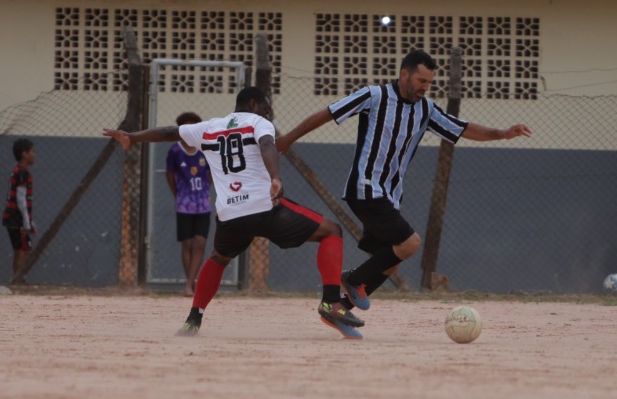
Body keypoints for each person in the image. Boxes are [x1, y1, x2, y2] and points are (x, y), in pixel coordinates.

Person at [276, 48, 531, 312]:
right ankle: (351, 279)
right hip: (364, 187)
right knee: (410, 243)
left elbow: (463, 128)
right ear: (404, 75)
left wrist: (502, 133)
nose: (425, 88)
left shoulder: (426, 110)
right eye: (422, 81)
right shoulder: (375, 96)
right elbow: (328, 113)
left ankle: (340, 309)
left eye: (430, 83)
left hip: (388, 196)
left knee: (393, 257)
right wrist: (288, 138)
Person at [103, 86, 365, 338]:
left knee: (218, 258)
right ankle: (331, 302)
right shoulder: (258, 122)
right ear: (253, 104)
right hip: (264, 207)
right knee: (331, 231)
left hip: (230, 215)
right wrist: (275, 177)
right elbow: (266, 146)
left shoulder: (209, 127)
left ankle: (194, 318)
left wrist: (133, 137)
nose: (269, 112)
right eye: (266, 106)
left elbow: (170, 132)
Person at [166, 112, 213, 292]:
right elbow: (169, 174)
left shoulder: (204, 150)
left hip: (202, 204)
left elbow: (212, 172)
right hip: (184, 205)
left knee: (200, 243)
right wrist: (177, 194)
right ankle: (190, 281)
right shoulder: (175, 151)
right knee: (187, 244)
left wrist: (204, 188)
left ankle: (190, 284)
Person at [4, 138, 39, 278]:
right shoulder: (23, 173)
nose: (34, 154)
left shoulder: (17, 171)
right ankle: (18, 279)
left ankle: (17, 278)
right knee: (23, 249)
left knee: (20, 249)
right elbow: (21, 199)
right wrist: (26, 223)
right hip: (16, 218)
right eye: (32, 151)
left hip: (13, 217)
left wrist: (30, 222)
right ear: (24, 154)